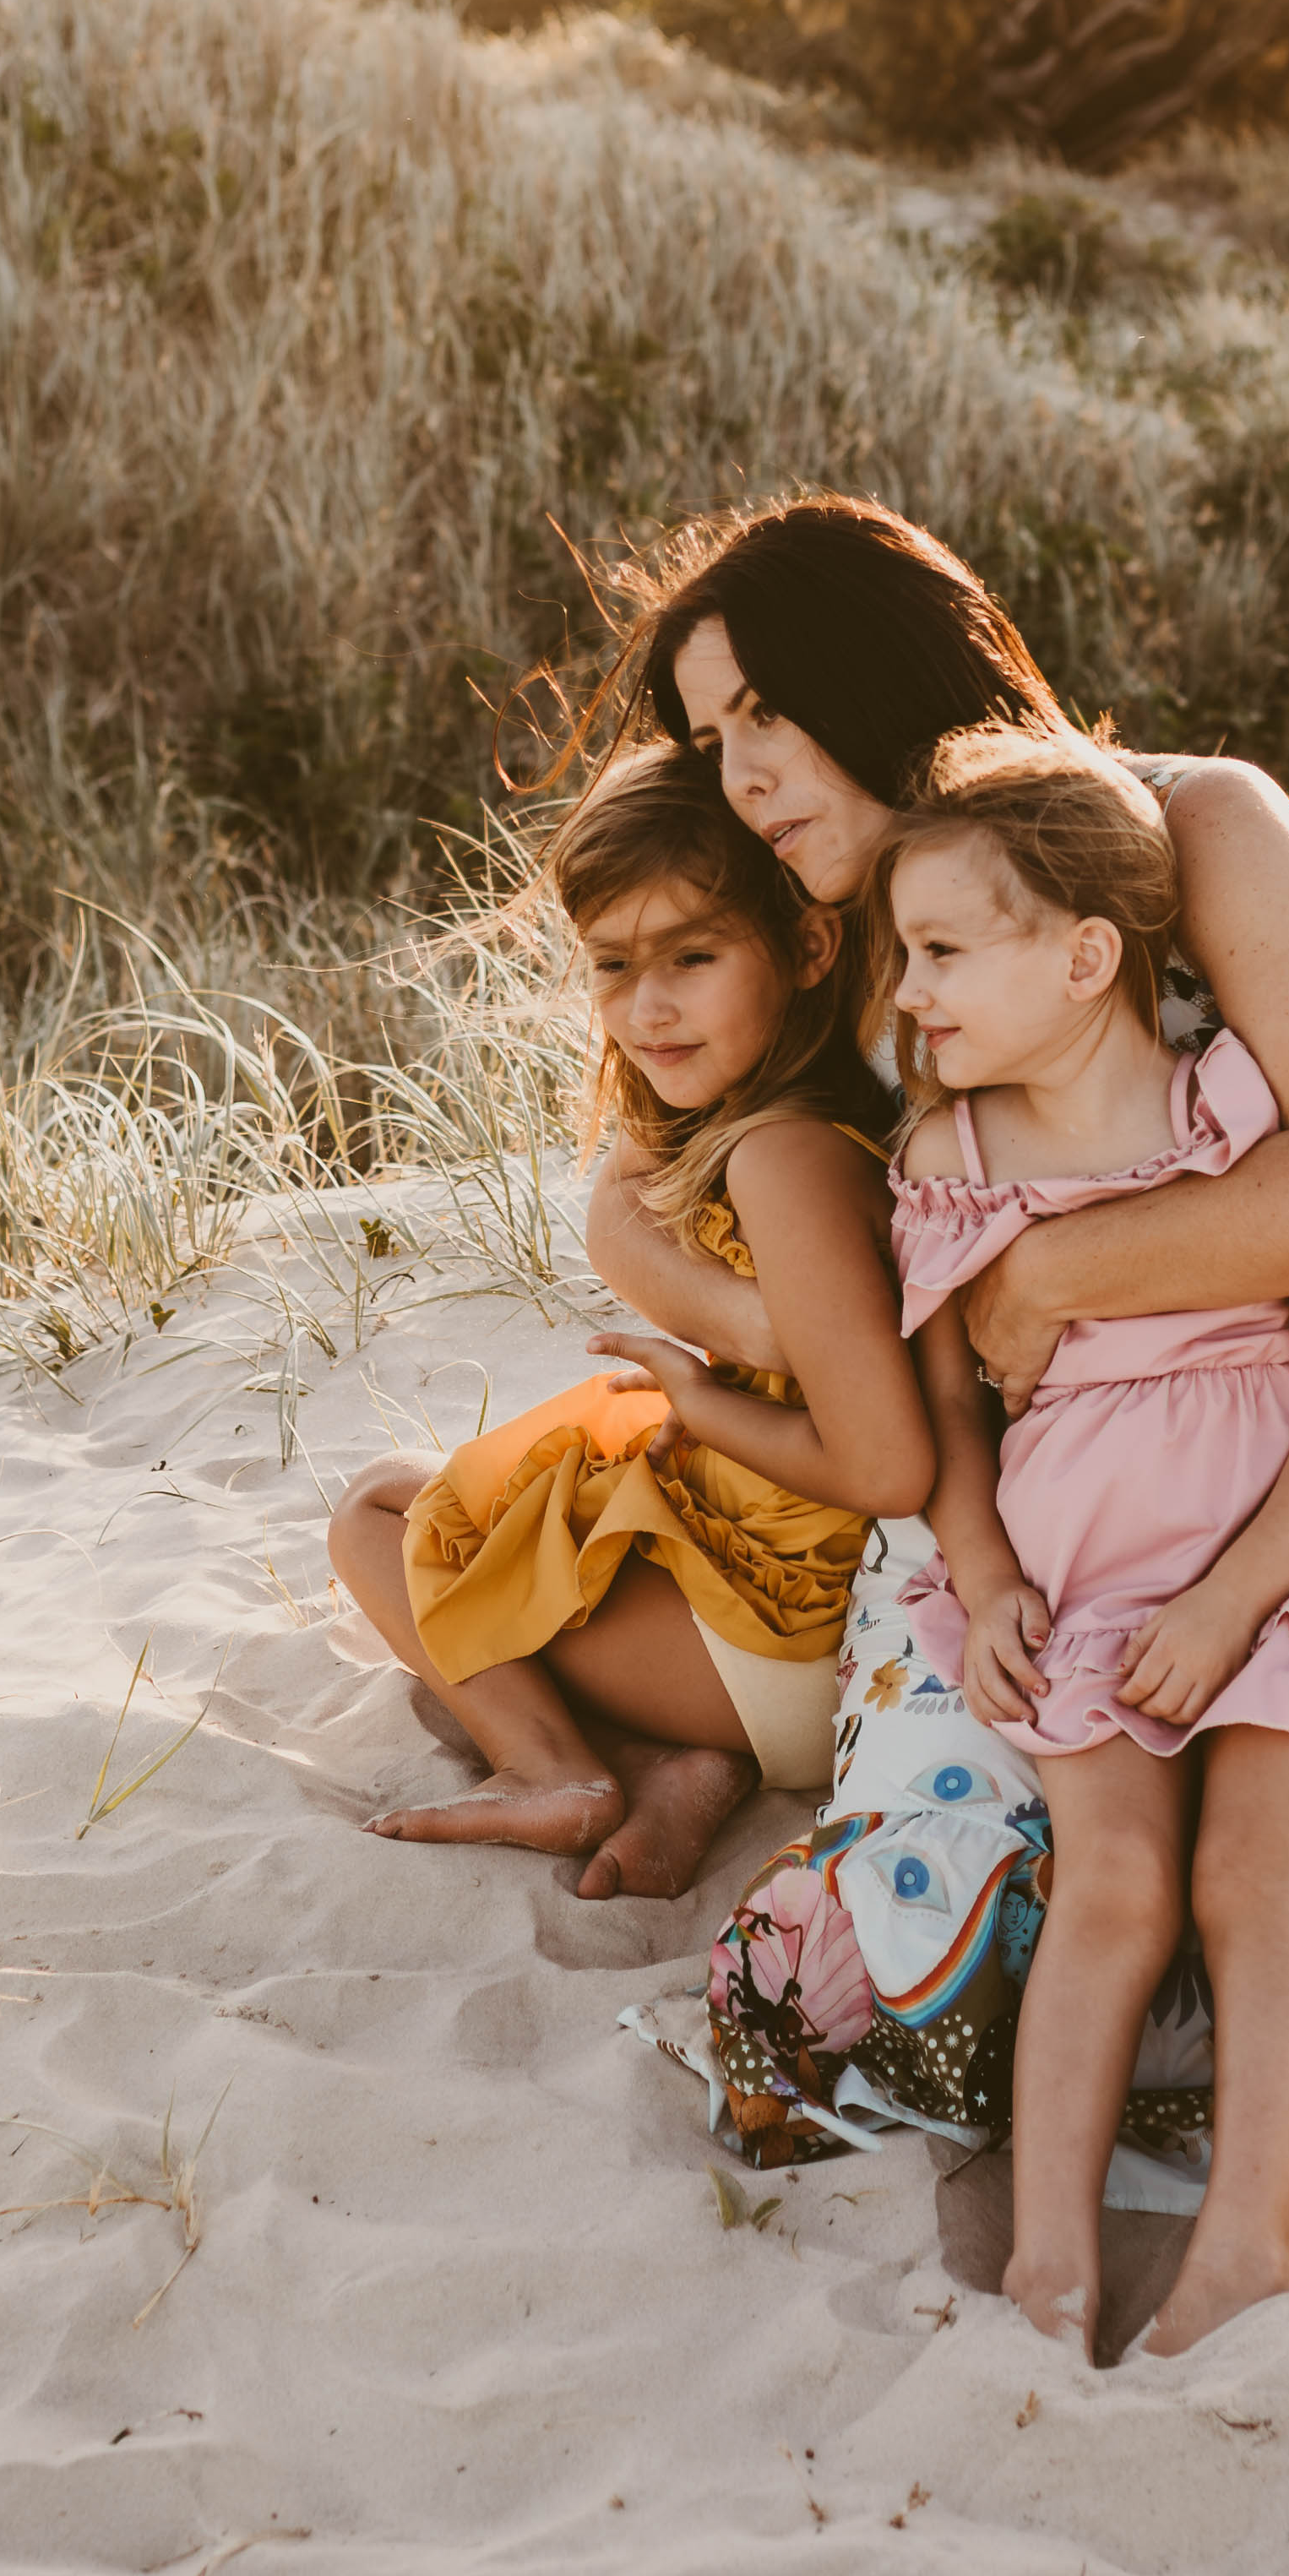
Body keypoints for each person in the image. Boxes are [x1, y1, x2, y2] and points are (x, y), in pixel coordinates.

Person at [572, 493, 1289, 2246]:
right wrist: (753, 1323)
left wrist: (1053, 1270)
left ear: (880, 670)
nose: (742, 775)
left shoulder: (1189, 829)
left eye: (766, 713)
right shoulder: (829, 924)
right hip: (1024, 1500)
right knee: (950, 1890)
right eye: (711, 736)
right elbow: (635, 1167)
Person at [884, 740, 1289, 2354]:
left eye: (941, 951)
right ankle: (1049, 2258)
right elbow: (950, 1420)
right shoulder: (951, 1165)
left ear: (1085, 958)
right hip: (1088, 1588)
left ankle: (1245, 2250)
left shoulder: (1250, 1122)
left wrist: (1226, 1608)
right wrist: (990, 1581)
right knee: (1117, 1882)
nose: (907, 996)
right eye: (905, 953)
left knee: (1248, 1877)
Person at [331, 743, 933, 1905]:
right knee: (527, 1501)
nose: (647, 1009)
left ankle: (553, 1768)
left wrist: (702, 1397)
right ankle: (675, 1761)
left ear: (812, 947)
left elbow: (881, 1461)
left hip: (782, 1647)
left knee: (380, 1514)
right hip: (773, 1610)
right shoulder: (785, 1116)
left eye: (693, 958)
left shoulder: (783, 1159)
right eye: (613, 965)